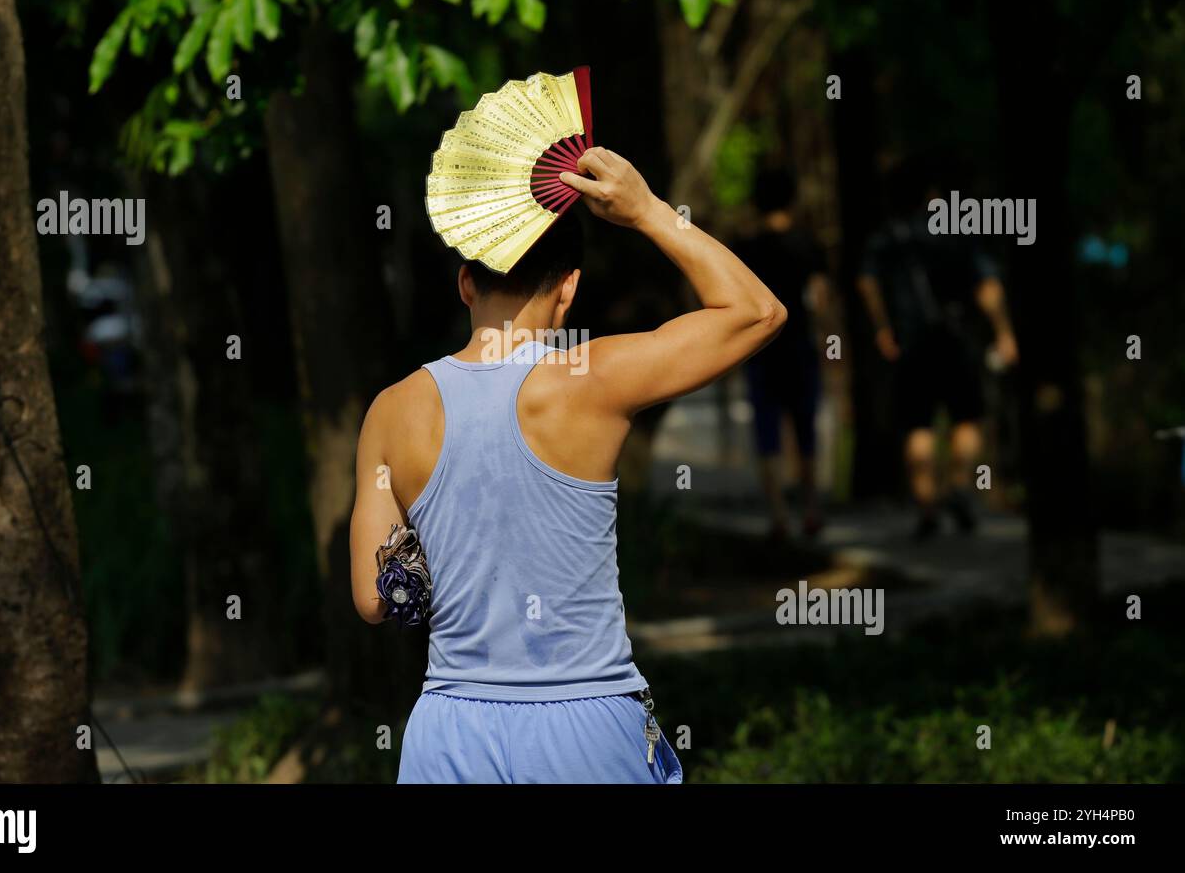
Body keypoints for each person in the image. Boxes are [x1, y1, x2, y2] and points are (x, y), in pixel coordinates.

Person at [349, 147, 787, 783]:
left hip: (449, 729)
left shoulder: (392, 412)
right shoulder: (594, 377)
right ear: (570, 286)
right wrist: (648, 211)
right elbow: (757, 311)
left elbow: (372, 598)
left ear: (466, 283)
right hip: (584, 726)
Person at [857, 173, 1019, 539]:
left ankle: (926, 504)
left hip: (912, 341)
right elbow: (987, 286)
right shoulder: (959, 232)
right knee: (967, 417)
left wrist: (883, 326)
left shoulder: (890, 235)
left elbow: (866, 281)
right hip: (956, 336)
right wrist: (1003, 331)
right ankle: (960, 487)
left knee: (918, 425)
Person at [733, 167, 830, 541]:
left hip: (759, 350)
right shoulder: (808, 243)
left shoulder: (746, 247)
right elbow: (820, 298)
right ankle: (811, 509)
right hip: (800, 346)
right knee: (805, 430)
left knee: (767, 433)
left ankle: (778, 516)